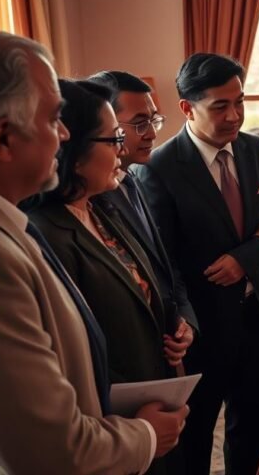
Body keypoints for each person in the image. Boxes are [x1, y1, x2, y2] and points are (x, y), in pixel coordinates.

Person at [0, 26, 185, 474]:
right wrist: (144, 436)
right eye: (52, 119)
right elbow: (53, 453)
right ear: (3, 138)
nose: (65, 134)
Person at [135, 53, 259, 475]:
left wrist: (244, 258)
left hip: (258, 317)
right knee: (196, 439)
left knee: (257, 433)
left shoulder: (255, 149)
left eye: (239, 102)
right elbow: (161, 262)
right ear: (187, 107)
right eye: (220, 106)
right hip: (202, 329)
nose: (234, 115)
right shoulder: (160, 168)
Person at [25, 81, 184, 475]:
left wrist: (173, 323)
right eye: (113, 138)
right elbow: (70, 342)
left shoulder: (103, 208)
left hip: (149, 407)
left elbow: (145, 287)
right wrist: (135, 419)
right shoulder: (44, 232)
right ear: (73, 151)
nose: (122, 148)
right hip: (108, 424)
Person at [87, 70, 198, 365]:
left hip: (167, 345)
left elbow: (163, 264)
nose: (151, 133)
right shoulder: (89, 199)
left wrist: (185, 318)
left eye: (153, 120)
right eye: (139, 123)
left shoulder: (134, 177)